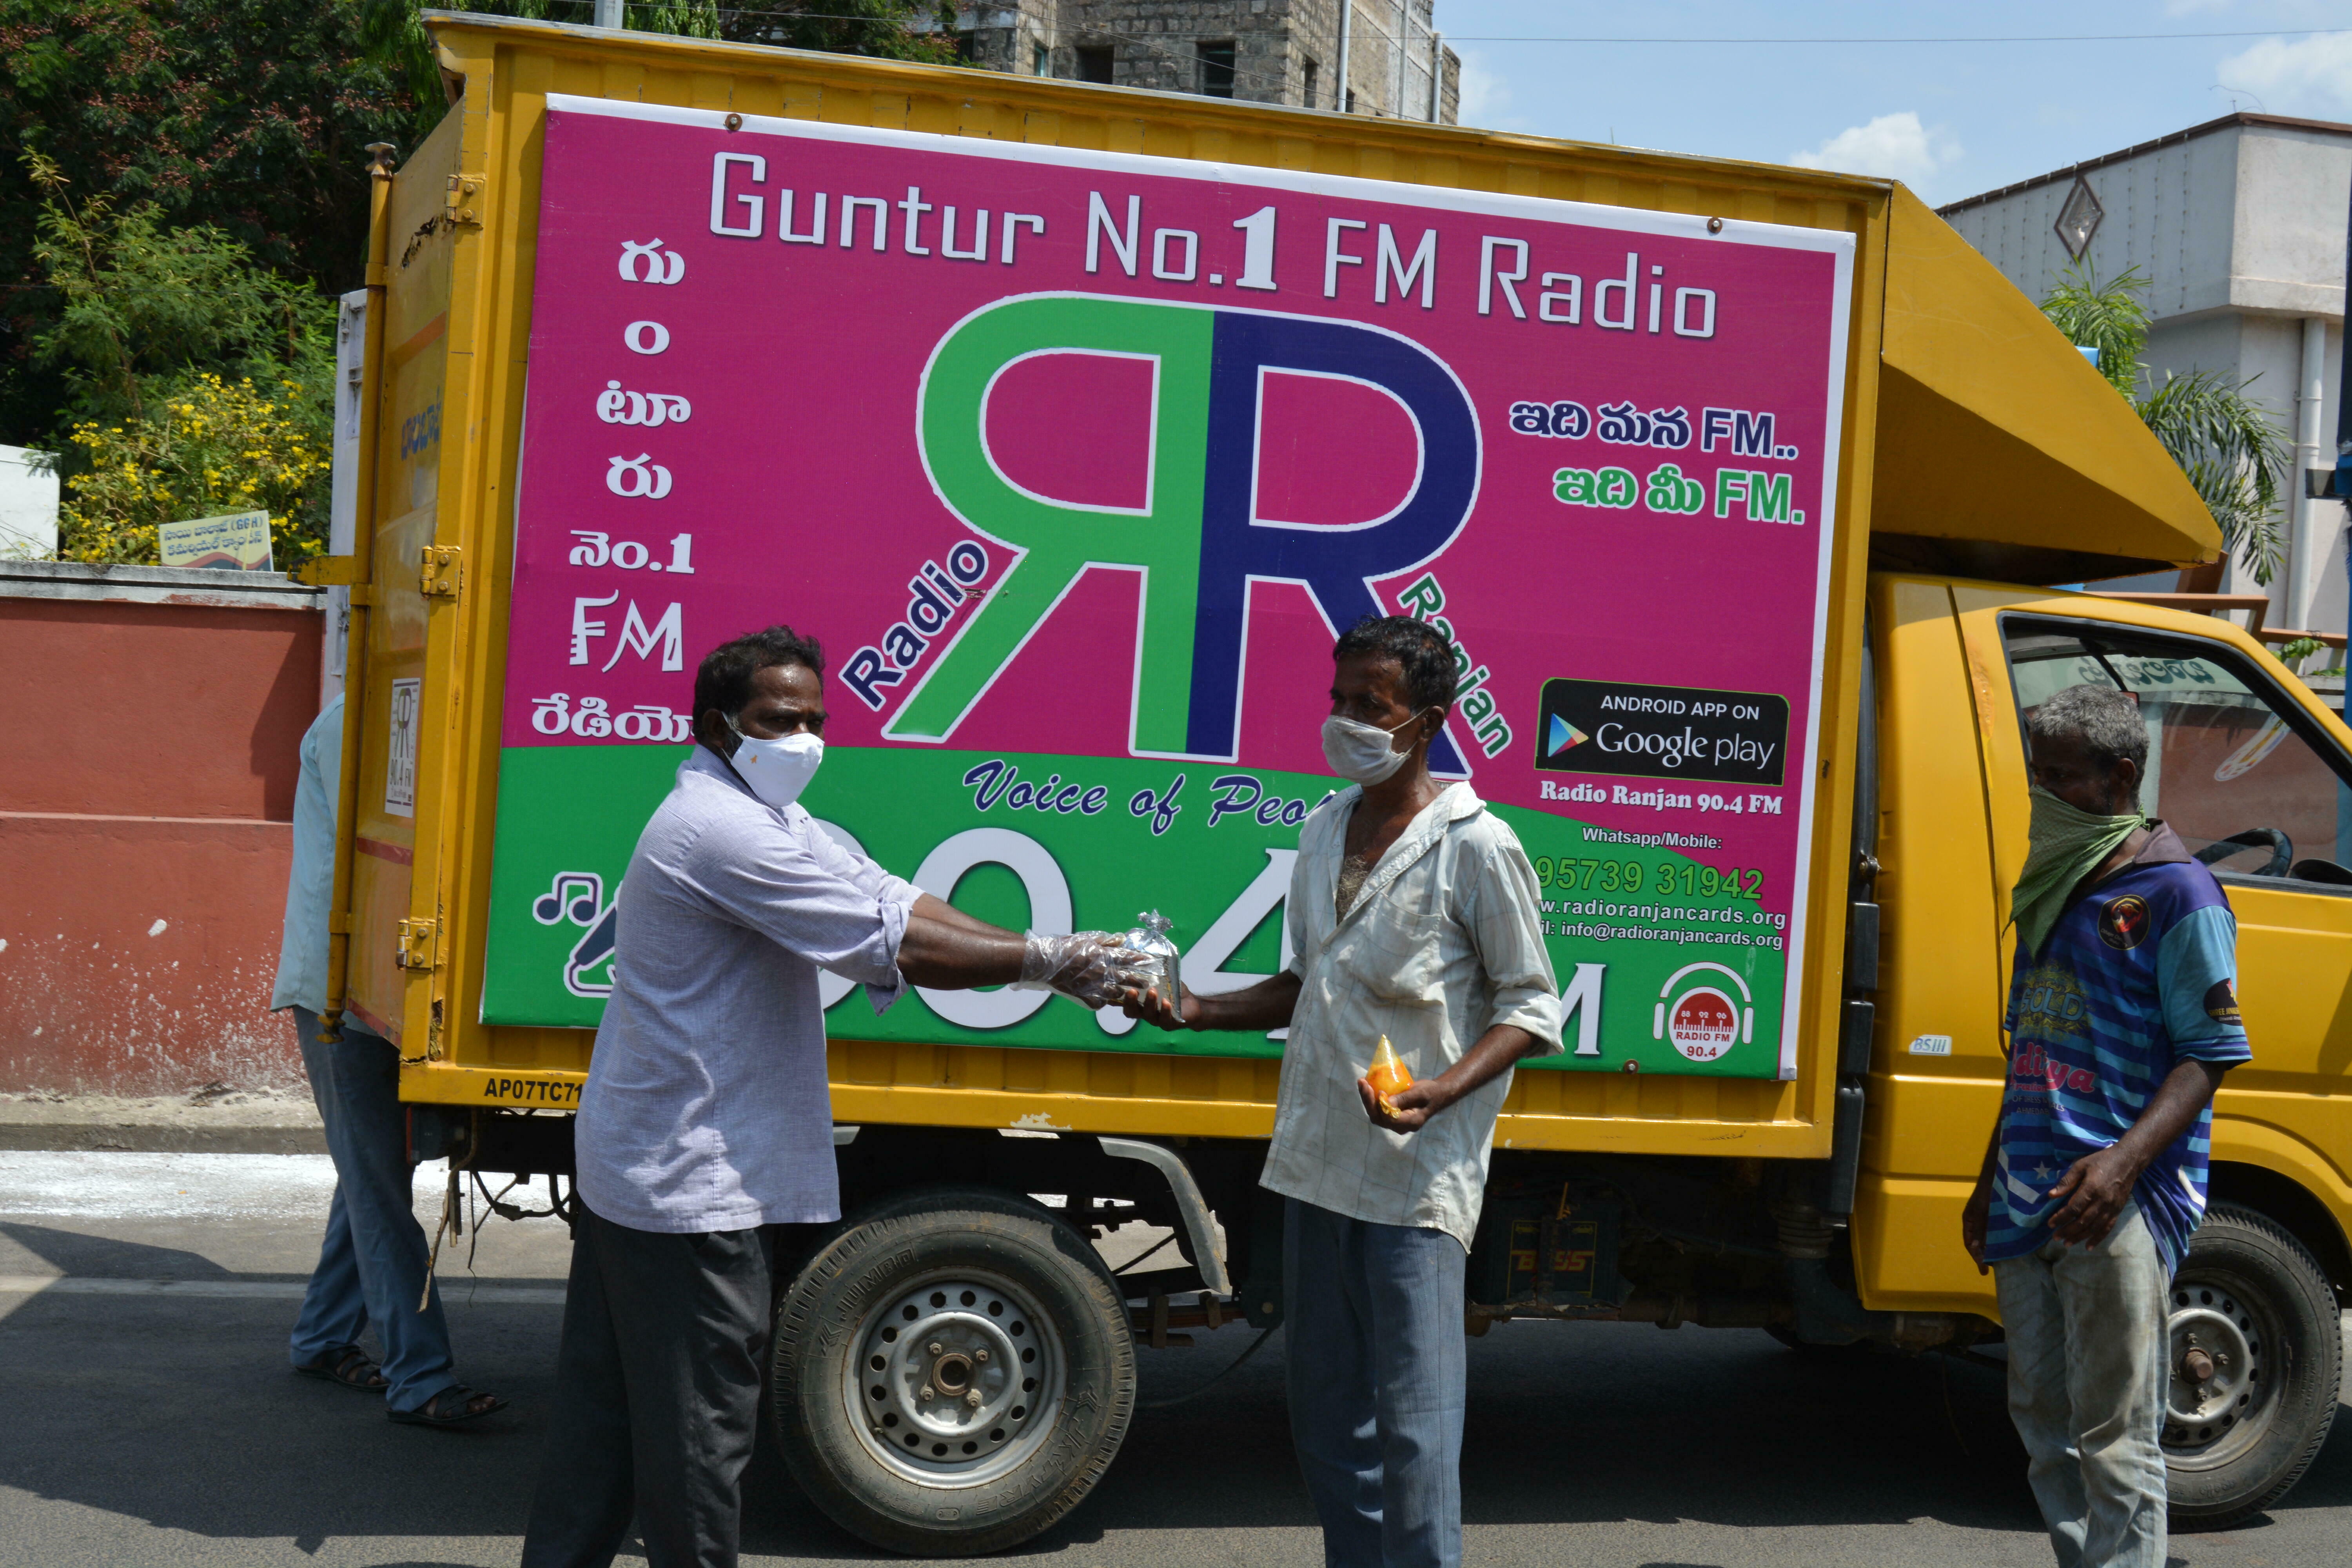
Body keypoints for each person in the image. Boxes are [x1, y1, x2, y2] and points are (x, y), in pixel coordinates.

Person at [520, 625, 1153, 1568]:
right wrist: (1052, 962)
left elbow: (896, 898)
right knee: (698, 1437)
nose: (805, 739)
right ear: (718, 727)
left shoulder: (770, 816)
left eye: (816, 719)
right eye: (781, 720)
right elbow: (892, 942)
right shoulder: (722, 831)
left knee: (606, 1420)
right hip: (691, 1180)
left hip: (651, 1162)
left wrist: (1047, 950)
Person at [1125, 615, 1563, 1568]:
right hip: (1318, 1162)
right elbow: (1307, 980)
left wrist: (1442, 1089)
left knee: (1415, 1431)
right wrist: (1196, 1009)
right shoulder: (1325, 827)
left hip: (1415, 1179)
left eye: (1373, 704)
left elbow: (1532, 1007)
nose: (1347, 719)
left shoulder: (1477, 845)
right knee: (1326, 1416)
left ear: (1429, 722)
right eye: (1340, 698)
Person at [1962, 682, 2250, 1568]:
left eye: (2060, 777)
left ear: (2120, 777)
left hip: (2116, 1202)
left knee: (2117, 1435)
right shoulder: (2052, 883)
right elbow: (2030, 1049)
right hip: (2028, 1193)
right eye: (2037, 775)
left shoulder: (2179, 892)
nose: (2042, 793)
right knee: (2042, 1422)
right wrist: (1986, 1180)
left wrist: (2122, 1164)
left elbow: (2210, 1052)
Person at [272, 691, 505, 1426]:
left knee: (373, 1174)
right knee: (377, 1187)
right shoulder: (361, 719)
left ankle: (321, 1337)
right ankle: (420, 1379)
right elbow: (397, 845)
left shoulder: (391, 707)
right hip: (344, 992)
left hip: (382, 981)